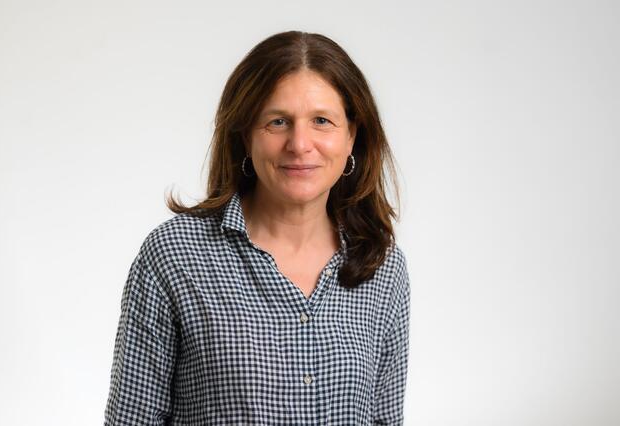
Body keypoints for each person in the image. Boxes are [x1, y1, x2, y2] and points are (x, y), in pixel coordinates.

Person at [104, 30, 411, 425]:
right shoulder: (175, 256)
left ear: (351, 135)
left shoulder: (383, 268)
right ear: (246, 133)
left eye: (322, 120)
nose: (300, 144)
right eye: (278, 121)